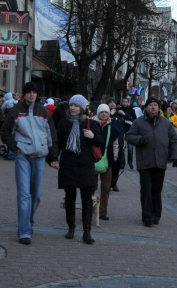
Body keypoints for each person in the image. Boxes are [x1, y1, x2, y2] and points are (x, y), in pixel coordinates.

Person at [1, 82, 59, 245]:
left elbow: (51, 135)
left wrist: (53, 156)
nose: (32, 95)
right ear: (24, 94)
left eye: (34, 92)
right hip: (23, 156)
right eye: (29, 92)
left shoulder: (44, 112)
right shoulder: (15, 111)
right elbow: (5, 132)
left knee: (37, 195)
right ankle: (24, 231)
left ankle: (29, 221)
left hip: (40, 156)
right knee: (24, 194)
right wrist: (15, 147)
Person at [125, 97, 177, 227]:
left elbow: (174, 140)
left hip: (160, 162)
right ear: (146, 108)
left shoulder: (165, 123)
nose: (153, 107)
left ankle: (156, 215)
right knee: (146, 190)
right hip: (145, 162)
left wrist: (175, 155)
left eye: (156, 105)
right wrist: (140, 140)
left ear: (159, 108)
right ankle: (147, 217)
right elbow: (129, 136)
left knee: (156, 190)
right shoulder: (139, 123)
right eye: (151, 105)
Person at [57, 94, 103, 244]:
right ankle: (71, 228)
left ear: (82, 108)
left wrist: (92, 136)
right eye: (71, 105)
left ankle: (87, 231)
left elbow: (101, 142)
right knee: (69, 198)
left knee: (86, 199)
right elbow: (58, 143)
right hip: (68, 164)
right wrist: (53, 159)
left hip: (85, 165)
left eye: (76, 106)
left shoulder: (91, 124)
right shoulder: (64, 123)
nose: (73, 108)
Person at [93, 104, 119, 221]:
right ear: (98, 113)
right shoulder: (92, 125)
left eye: (106, 112)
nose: (104, 114)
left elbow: (116, 144)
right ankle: (89, 208)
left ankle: (103, 211)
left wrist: (113, 157)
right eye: (102, 112)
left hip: (107, 160)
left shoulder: (112, 127)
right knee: (91, 186)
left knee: (106, 187)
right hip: (92, 160)